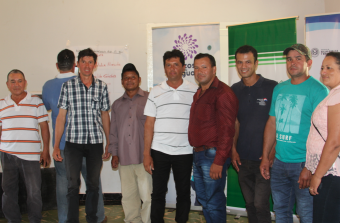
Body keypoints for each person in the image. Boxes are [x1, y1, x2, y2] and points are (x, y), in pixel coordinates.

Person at [260, 44, 329, 223]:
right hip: (279, 163)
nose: (293, 62)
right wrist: (266, 157)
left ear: (309, 62)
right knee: (281, 212)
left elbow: (322, 132)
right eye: (289, 59)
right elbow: (272, 123)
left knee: (307, 214)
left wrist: (309, 166)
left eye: (298, 58)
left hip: (302, 164)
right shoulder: (279, 89)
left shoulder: (319, 90)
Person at [42, 49, 107, 223]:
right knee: (72, 186)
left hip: (94, 143)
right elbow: (61, 116)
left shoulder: (102, 86)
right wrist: (56, 146)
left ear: (95, 64)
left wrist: (110, 142)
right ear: (77, 64)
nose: (87, 65)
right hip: (72, 144)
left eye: (90, 62)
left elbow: (105, 115)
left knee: (93, 185)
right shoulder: (68, 86)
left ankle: (93, 219)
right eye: (83, 62)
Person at [143, 49, 197, 223]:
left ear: (183, 67)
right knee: (157, 193)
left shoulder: (194, 90)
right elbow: (149, 124)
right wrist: (146, 154)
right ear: (164, 68)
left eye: (176, 64)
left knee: (183, 193)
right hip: (160, 150)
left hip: (185, 151)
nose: (172, 68)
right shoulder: (155, 91)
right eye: (168, 65)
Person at [188, 53, 238, 223]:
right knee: (204, 200)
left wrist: (219, 160)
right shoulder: (200, 93)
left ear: (214, 69)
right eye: (196, 68)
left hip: (213, 156)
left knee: (213, 201)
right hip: (199, 154)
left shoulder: (223, 93)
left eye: (204, 67)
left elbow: (227, 130)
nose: (199, 71)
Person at [231, 45, 277, 223]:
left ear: (256, 63)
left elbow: (277, 123)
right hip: (242, 159)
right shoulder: (234, 89)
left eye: (248, 62)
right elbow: (235, 122)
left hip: (264, 159)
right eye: (240, 62)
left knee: (260, 204)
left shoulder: (272, 87)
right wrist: (233, 149)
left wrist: (271, 153)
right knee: (249, 204)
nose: (244, 66)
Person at [0, 69, 50, 222]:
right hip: (7, 155)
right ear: (7, 84)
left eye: (20, 81)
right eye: (13, 81)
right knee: (9, 192)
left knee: (34, 192)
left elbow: (44, 127)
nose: (17, 84)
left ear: (25, 82)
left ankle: (35, 220)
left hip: (31, 155)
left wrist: (45, 150)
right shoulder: (2, 104)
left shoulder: (36, 101)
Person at [108, 63, 152, 223]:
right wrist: (114, 153)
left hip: (144, 158)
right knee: (128, 197)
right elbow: (113, 131)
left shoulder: (149, 99)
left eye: (133, 77)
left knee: (147, 197)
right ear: (122, 81)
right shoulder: (117, 104)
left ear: (139, 79)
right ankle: (133, 220)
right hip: (124, 158)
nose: (129, 80)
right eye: (126, 78)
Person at [306, 52, 340, 222]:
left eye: (329, 68)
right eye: (322, 68)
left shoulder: (338, 96)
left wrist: (318, 175)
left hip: (331, 173)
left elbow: (335, 142)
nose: (323, 72)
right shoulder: (333, 94)